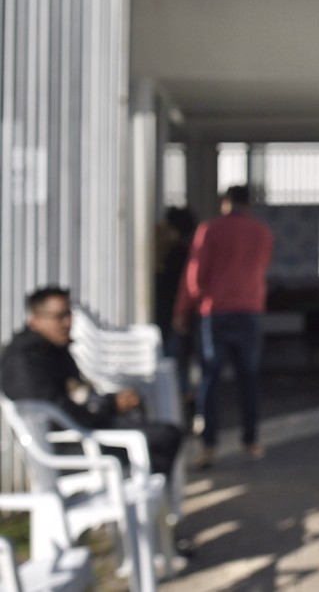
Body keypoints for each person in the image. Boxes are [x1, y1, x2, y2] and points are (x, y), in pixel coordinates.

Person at [1, 287, 183, 479]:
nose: (67, 323)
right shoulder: (27, 361)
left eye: (69, 314)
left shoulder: (50, 349)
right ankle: (139, 498)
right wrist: (111, 407)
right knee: (162, 438)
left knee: (158, 431)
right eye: (59, 316)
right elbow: (64, 415)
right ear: (36, 320)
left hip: (79, 436)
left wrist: (112, 402)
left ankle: (142, 496)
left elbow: (77, 395)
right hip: (69, 450)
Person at [176, 185, 274, 469]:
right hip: (250, 311)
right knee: (248, 378)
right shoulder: (262, 233)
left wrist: (183, 309)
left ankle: (208, 446)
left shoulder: (209, 230)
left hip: (215, 313)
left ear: (225, 202)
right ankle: (251, 440)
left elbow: (194, 276)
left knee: (210, 378)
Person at [154, 206, 198, 419]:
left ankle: (181, 408)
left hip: (171, 317)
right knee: (180, 364)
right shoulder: (190, 251)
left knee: (173, 365)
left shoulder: (176, 254)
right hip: (182, 316)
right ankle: (185, 405)